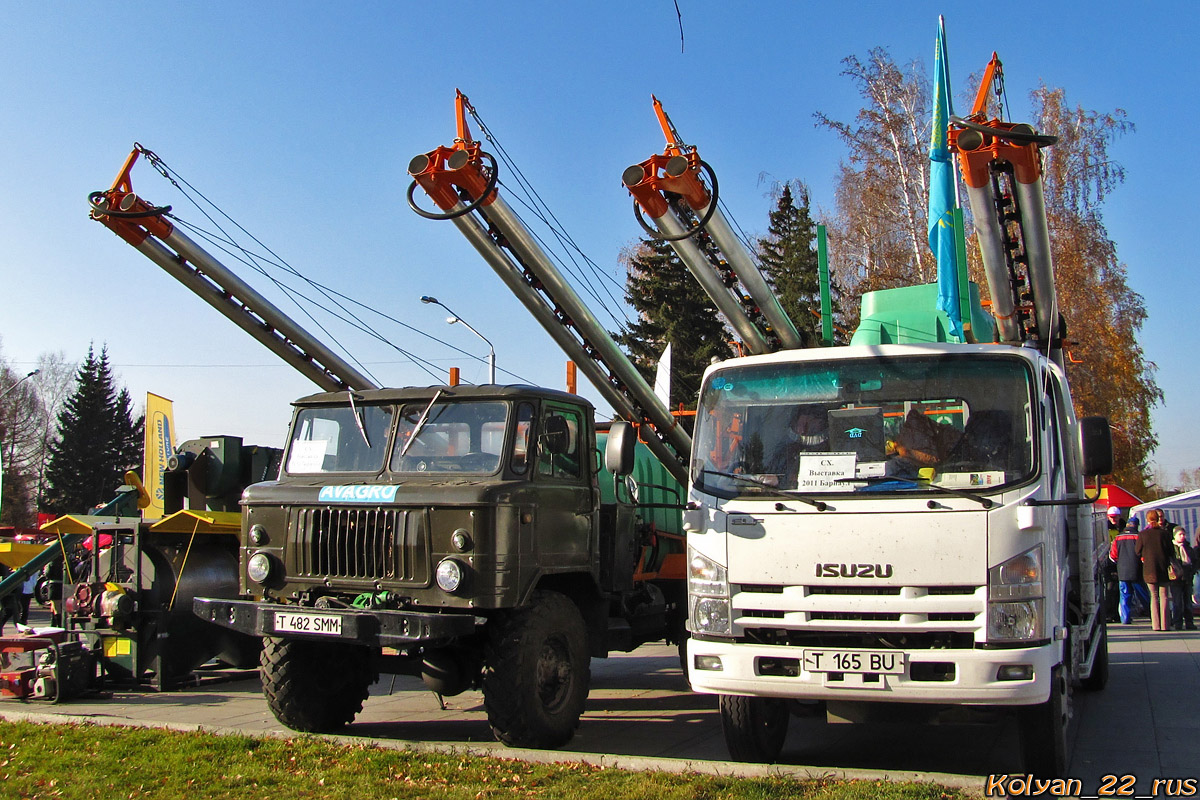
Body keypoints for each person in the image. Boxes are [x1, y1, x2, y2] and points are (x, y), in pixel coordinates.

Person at [1136, 509, 1173, 631]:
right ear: (1158, 518)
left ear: (1147, 519)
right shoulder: (1165, 534)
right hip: (1163, 567)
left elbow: (1137, 551)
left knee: (1153, 596)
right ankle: (1165, 624)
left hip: (1149, 569)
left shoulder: (1143, 534)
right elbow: (1171, 551)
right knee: (1164, 596)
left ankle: (1156, 625)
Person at [1110, 520, 1142, 625]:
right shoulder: (1138, 536)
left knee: (1124, 596)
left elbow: (1113, 556)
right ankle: (1153, 615)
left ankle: (1125, 619)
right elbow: (1142, 554)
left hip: (1122, 571)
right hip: (1137, 570)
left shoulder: (1118, 537)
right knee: (1143, 594)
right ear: (1136, 525)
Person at [1168, 525, 1196, 631]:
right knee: (1177, 601)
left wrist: (1192, 570)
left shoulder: (1188, 548)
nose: (1182, 536)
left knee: (1188, 601)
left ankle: (1189, 622)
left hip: (1187, 577)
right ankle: (1177, 622)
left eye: (1184, 534)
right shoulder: (1172, 548)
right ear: (1175, 536)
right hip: (1176, 579)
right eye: (1180, 534)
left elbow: (1194, 560)